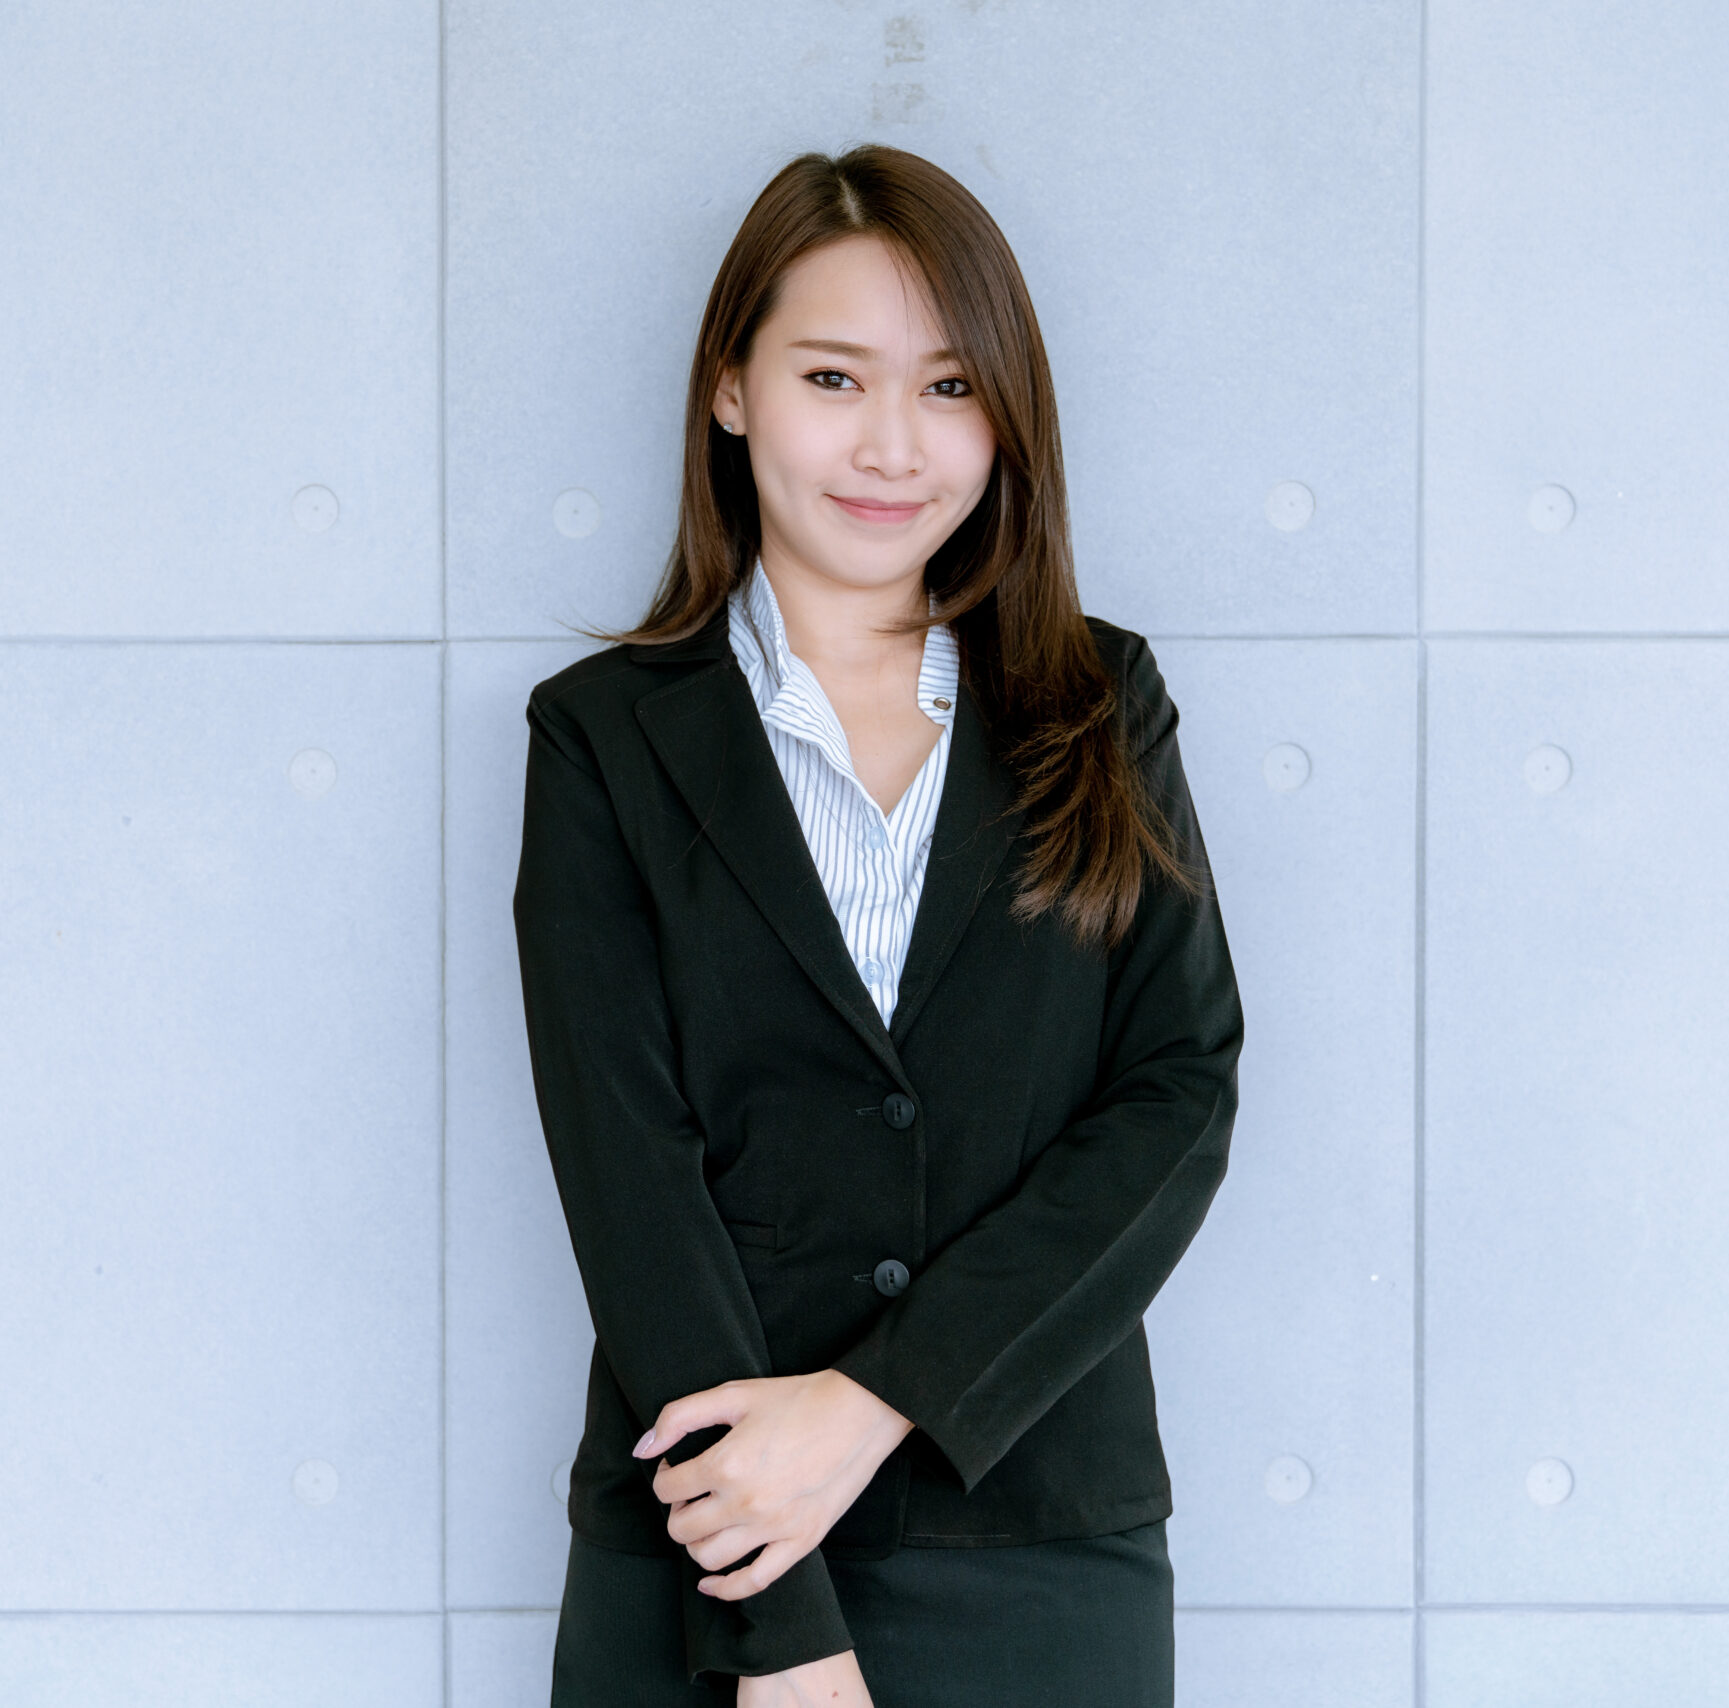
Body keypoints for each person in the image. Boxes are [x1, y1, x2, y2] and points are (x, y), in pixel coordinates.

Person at [512, 143, 1244, 1708]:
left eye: (953, 386)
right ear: (731, 390)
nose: (894, 446)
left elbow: (1175, 1096)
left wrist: (873, 1404)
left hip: (1040, 1542)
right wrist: (774, 1630)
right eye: (834, 377)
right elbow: (627, 1174)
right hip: (705, 1556)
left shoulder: (1101, 704)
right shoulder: (604, 739)